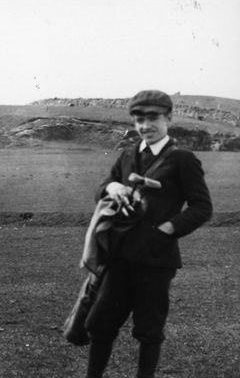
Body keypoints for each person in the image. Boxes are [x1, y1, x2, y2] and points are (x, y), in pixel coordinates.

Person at [84, 90, 212, 378]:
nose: (145, 126)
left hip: (156, 260)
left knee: (148, 330)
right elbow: (102, 188)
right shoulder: (128, 155)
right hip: (118, 257)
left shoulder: (182, 159)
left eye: (153, 118)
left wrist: (165, 230)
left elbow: (202, 207)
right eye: (139, 120)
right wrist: (111, 188)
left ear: (169, 118)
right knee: (99, 324)